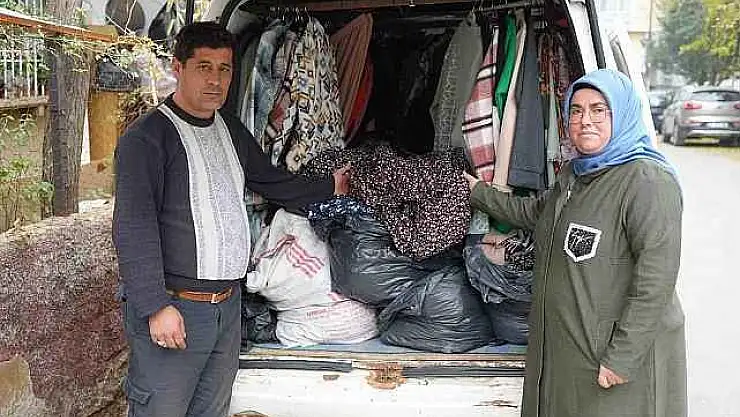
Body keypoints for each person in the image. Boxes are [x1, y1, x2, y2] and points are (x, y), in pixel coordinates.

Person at [112, 22, 349, 417]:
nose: (215, 80)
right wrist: (155, 307)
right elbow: (133, 228)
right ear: (177, 68)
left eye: (224, 69)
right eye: (204, 67)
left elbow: (270, 181)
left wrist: (331, 187)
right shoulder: (148, 138)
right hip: (177, 307)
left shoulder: (229, 128)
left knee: (213, 410)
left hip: (226, 306)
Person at [464, 69, 686, 417]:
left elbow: (655, 282)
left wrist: (622, 358)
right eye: (577, 110)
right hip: (571, 350)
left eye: (599, 110)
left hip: (611, 359)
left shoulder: (646, 181)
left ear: (622, 114)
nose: (586, 121)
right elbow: (535, 212)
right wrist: (476, 192)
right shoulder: (575, 174)